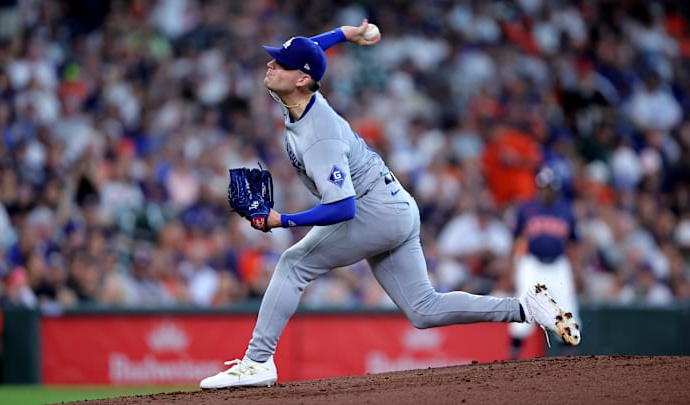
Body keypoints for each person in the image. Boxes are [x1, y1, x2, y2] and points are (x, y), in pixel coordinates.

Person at [199, 20, 580, 389]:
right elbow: (308, 52)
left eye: (278, 64)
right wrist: (345, 34)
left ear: (301, 79)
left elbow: (343, 208)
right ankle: (527, 308)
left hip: (371, 209)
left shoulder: (320, 136)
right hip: (396, 205)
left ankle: (257, 361)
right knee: (423, 309)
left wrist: (283, 219)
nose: (270, 65)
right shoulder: (296, 92)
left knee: (293, 264)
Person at [508, 166, 582, 359]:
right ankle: (513, 357)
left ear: (556, 189)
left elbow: (574, 243)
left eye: (550, 187)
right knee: (523, 308)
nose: (547, 190)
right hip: (532, 264)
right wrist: (511, 268)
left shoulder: (566, 210)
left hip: (558, 265)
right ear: (538, 187)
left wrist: (578, 270)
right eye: (544, 186)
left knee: (566, 310)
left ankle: (571, 358)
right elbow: (516, 239)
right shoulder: (526, 208)